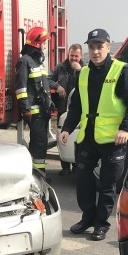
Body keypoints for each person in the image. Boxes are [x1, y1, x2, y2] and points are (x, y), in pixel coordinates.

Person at [59, 28, 128, 241]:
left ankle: (101, 224)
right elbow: (76, 105)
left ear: (108, 47)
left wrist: (126, 128)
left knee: (107, 185)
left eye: (100, 47)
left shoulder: (122, 70)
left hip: (114, 139)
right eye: (92, 47)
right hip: (88, 137)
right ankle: (87, 218)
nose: (95, 51)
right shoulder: (84, 72)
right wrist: (67, 128)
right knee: (84, 181)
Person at [14, 26, 57, 176]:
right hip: (35, 113)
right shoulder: (24, 62)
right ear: (37, 43)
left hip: (43, 112)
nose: (45, 45)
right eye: (44, 42)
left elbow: (44, 83)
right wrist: (26, 110)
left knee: (41, 146)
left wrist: (57, 87)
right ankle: (38, 177)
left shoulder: (36, 62)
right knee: (38, 147)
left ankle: (40, 174)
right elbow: (21, 88)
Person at [50, 43, 83, 175]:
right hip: (63, 109)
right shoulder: (60, 67)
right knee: (62, 136)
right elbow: (48, 79)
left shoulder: (85, 68)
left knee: (76, 138)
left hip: (78, 110)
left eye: (76, 56)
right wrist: (57, 86)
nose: (73, 58)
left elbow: (91, 81)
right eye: (71, 55)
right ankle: (65, 168)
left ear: (80, 56)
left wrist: (80, 71)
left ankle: (76, 166)